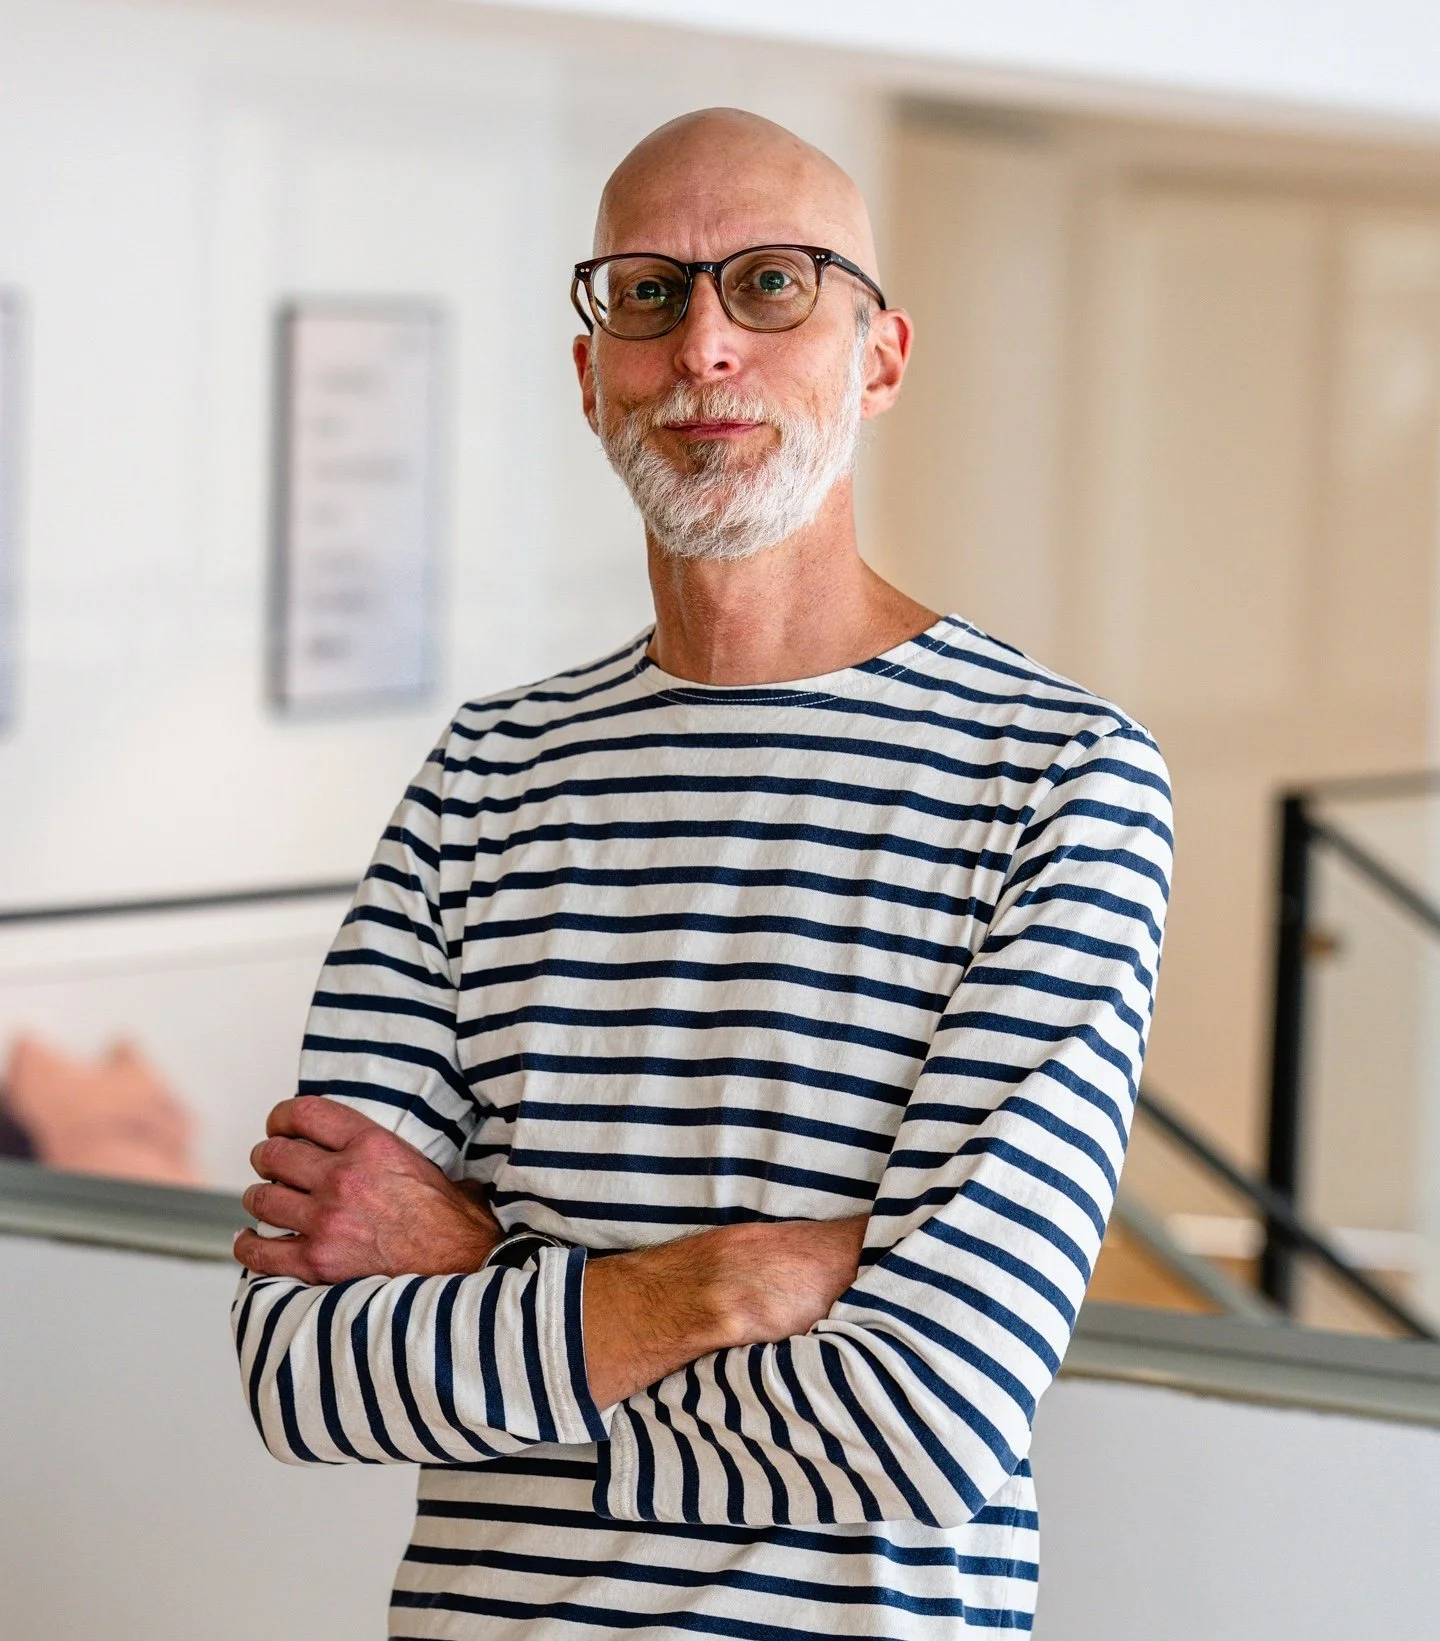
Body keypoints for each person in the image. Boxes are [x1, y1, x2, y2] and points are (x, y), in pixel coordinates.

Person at [233, 107, 1172, 1638]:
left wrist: (488, 1272)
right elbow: (303, 1375)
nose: (705, 348)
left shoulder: (1057, 778)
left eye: (775, 286)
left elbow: (930, 1417)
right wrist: (717, 1288)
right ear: (592, 370)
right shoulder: (487, 780)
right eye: (651, 294)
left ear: (880, 358)